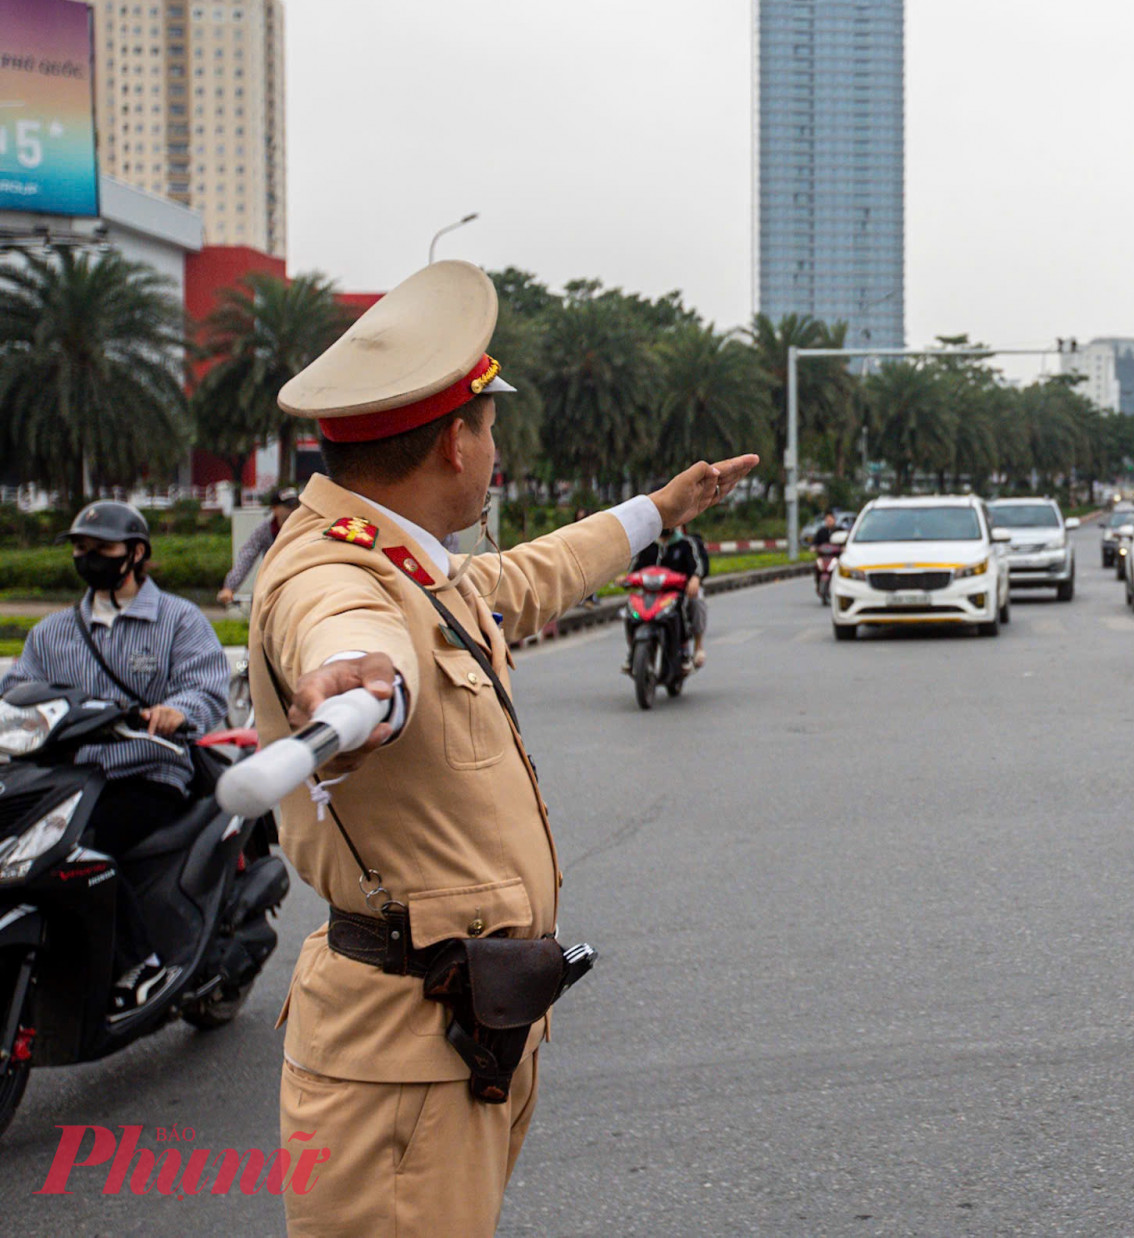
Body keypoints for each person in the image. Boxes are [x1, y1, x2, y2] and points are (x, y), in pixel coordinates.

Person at [248, 260, 757, 1237]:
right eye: (490, 430)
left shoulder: (406, 559)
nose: (495, 453)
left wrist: (661, 507)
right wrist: (356, 678)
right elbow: (341, 627)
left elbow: (525, 575)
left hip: (463, 1027)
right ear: (454, 439)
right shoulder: (327, 569)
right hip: (400, 1049)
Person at [8, 501, 228, 1012]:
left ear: (135, 554)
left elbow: (207, 686)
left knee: (81, 844)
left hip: (148, 771)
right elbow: (17, 689)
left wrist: (177, 710)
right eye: (81, 549)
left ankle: (140, 964)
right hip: (66, 777)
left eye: (101, 549)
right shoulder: (51, 633)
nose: (88, 558)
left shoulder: (178, 619)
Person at [631, 523, 710, 668]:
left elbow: (698, 566)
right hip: (652, 594)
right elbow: (635, 569)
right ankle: (632, 654)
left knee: (696, 600)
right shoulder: (647, 545)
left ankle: (697, 647)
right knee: (631, 609)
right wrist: (626, 579)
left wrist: (695, 578)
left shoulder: (686, 543)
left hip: (679, 593)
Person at [216, 487, 301, 607]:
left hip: (300, 584)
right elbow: (247, 555)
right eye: (289, 506)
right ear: (274, 509)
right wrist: (230, 587)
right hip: (273, 586)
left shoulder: (305, 527)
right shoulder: (265, 530)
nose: (294, 511)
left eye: (296, 506)